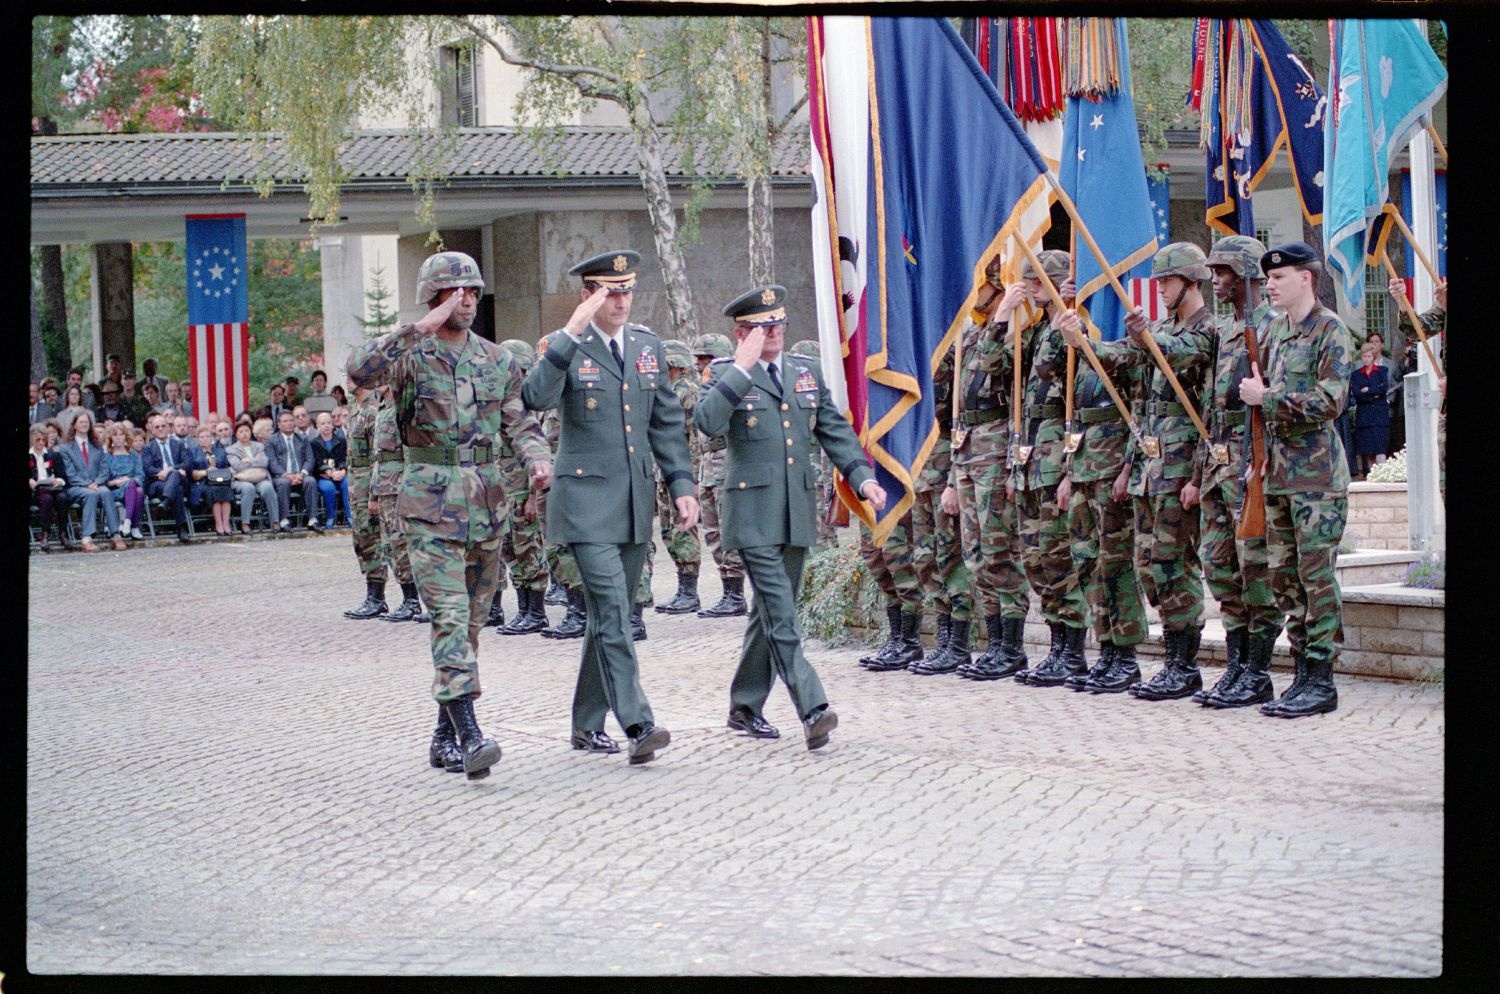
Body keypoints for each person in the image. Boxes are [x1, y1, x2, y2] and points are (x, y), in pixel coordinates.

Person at [350, 250, 551, 781]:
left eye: (472, 291)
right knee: (450, 619)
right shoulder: (410, 358)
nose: (466, 299)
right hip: (429, 505)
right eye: (454, 291)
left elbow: (519, 421)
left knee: (474, 625)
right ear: (434, 296)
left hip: (486, 504)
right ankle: (470, 734)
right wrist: (419, 327)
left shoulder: (496, 359)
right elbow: (359, 368)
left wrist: (538, 461)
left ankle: (443, 736)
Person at [521, 249, 696, 764]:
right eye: (608, 291)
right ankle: (638, 722)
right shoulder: (565, 346)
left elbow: (665, 423)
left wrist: (682, 484)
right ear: (588, 295)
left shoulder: (646, 346)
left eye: (626, 290)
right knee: (616, 610)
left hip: (634, 502)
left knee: (605, 617)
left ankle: (585, 724)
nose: (620, 300)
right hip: (584, 504)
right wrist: (570, 333)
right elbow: (534, 397)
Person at [696, 285, 885, 749]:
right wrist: (741, 368)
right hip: (752, 513)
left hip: (797, 511)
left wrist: (861, 477)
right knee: (782, 614)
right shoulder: (726, 374)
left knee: (769, 613)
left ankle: (744, 706)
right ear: (742, 333)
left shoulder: (805, 372)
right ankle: (813, 706)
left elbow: (834, 430)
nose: (774, 333)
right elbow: (707, 422)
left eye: (778, 325)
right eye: (763, 327)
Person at [1237, 243, 1353, 718]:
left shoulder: (1331, 330)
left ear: (1305, 278)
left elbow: (1331, 400)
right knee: (1284, 578)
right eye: (1268, 279)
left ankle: (1322, 678)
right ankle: (1302, 671)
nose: (1270, 285)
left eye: (1279, 278)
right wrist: (1255, 457)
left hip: (1318, 477)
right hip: (1279, 474)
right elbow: (1258, 410)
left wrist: (1269, 397)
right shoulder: (1275, 332)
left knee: (1315, 576)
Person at [1190, 235, 1283, 708]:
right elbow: (1209, 402)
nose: (1216, 280)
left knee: (1256, 567)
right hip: (1218, 460)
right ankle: (1236, 664)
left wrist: (1259, 464)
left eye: (1223, 272)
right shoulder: (1225, 332)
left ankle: (1259, 671)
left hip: (1251, 460)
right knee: (1221, 565)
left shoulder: (1273, 327)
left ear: (1248, 274)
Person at [941, 265, 1033, 679]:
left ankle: (1011, 646)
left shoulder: (1017, 335)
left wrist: (1003, 318)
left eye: (981, 286)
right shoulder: (972, 334)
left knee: (999, 550)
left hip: (996, 445)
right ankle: (994, 643)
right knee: (975, 553)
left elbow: (994, 365)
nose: (972, 293)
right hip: (968, 446)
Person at [1009, 250, 1092, 686]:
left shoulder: (1069, 330)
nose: (1031, 290)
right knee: (1036, 561)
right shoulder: (1039, 330)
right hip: (1030, 460)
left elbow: (1074, 401)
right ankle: (1059, 644)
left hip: (1056, 457)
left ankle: (1073, 650)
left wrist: (1067, 471)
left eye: (1038, 283)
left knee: (1059, 558)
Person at [907, 316, 976, 675]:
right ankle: (944, 636)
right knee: (925, 558)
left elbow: (960, 420)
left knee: (950, 557)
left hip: (945, 462)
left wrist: (953, 477)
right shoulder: (913, 352)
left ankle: (959, 642)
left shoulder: (955, 351)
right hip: (920, 467)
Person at [493, 339, 552, 635]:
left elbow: (536, 451)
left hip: (522, 490)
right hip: (504, 490)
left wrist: (532, 497)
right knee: (511, 550)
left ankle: (537, 612)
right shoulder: (505, 402)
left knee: (528, 549)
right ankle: (524, 609)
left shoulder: (526, 404)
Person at [689, 334, 750, 619]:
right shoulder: (703, 388)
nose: (702, 364)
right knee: (712, 530)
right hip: (707, 464)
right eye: (699, 359)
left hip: (727, 461)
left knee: (729, 528)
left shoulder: (735, 386)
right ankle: (728, 590)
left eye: (708, 359)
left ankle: (737, 594)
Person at [368, 385, 428, 623]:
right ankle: (407, 599)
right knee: (390, 547)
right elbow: (378, 458)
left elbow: (411, 452)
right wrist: (373, 494)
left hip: (399, 487)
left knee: (403, 545)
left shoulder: (404, 408)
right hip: (384, 487)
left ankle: (414, 601)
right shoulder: (382, 408)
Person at [343, 380, 390, 619]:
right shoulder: (355, 409)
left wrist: (374, 494)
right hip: (355, 484)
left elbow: (377, 457)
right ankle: (371, 595)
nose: (347, 382)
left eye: (352, 378)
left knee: (372, 539)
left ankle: (377, 597)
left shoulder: (372, 410)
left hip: (366, 484)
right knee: (361, 539)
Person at [58, 411, 125, 552]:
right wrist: (87, 484)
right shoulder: (65, 447)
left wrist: (96, 482)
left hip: (97, 484)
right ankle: (86, 538)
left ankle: (116, 535)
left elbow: (104, 470)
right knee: (91, 494)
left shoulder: (97, 446)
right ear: (75, 425)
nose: (84, 424)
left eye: (86, 422)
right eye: (81, 422)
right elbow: (70, 473)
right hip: (76, 487)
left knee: (106, 492)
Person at [265, 409, 324, 532]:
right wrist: (287, 475)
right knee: (283, 483)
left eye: (291, 420)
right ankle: (284, 520)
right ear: (279, 424)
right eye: (285, 421)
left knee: (311, 481)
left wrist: (302, 474)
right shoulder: (272, 441)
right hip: (281, 476)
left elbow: (309, 459)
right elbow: (272, 463)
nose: (289, 423)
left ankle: (312, 519)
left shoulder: (302, 438)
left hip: (300, 475)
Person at [141, 412, 193, 543]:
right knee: (177, 489)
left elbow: (187, 463)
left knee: (175, 475)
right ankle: (182, 529)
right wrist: (162, 473)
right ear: (152, 430)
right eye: (157, 427)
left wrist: (169, 470)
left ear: (168, 428)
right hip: (157, 483)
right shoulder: (147, 447)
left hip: (179, 479)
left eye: (163, 426)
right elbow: (148, 468)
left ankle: (165, 502)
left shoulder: (178, 444)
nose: (160, 429)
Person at [227, 420, 279, 534]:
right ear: (236, 434)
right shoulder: (231, 449)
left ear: (251, 432)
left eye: (246, 430)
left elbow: (265, 462)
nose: (244, 433)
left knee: (268, 488)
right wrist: (256, 460)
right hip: (242, 479)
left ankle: (275, 521)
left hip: (259, 477)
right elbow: (237, 465)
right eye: (241, 431)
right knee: (248, 488)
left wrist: (248, 460)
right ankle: (245, 523)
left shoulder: (259, 446)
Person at [1350, 340, 1390, 478]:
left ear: (1373, 357)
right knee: (1367, 449)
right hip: (1364, 417)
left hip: (1379, 416)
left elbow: (1384, 389)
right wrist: (1374, 394)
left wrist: (1368, 390)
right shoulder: (1356, 374)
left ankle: (1383, 475)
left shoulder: (1382, 371)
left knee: (1380, 447)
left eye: (1369, 356)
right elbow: (1357, 393)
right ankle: (1370, 476)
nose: (1366, 359)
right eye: (1364, 356)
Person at [102, 423, 145, 542]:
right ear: (111, 438)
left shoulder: (134, 455)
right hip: (114, 491)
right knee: (138, 490)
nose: (119, 437)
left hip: (132, 488)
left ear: (126, 437)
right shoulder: (107, 457)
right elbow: (104, 480)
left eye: (121, 434)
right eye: (115, 435)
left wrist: (128, 480)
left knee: (137, 488)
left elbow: (140, 475)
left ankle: (126, 523)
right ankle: (133, 527)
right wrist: (116, 482)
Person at [29, 423, 68, 549]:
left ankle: (63, 533)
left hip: (52, 488)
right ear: (31, 439)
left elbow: (63, 476)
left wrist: (58, 481)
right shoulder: (29, 456)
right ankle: (45, 534)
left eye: (43, 440)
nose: (41, 443)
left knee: (62, 498)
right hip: (36, 491)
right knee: (47, 499)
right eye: (37, 440)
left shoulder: (53, 455)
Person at [308, 411, 350, 529]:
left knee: (347, 484)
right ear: (317, 426)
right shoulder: (313, 443)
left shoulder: (341, 441)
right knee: (328, 488)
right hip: (323, 476)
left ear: (332, 425)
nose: (326, 426)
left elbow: (345, 458)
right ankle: (330, 517)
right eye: (322, 423)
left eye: (328, 423)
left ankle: (350, 516)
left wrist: (342, 471)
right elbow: (317, 462)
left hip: (340, 474)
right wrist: (330, 473)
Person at [195, 425, 235, 536]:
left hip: (221, 481)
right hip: (202, 482)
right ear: (197, 439)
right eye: (201, 437)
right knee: (213, 490)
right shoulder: (193, 452)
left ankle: (226, 523)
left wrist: (218, 471)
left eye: (207, 436)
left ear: (212, 438)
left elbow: (228, 467)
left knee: (225, 488)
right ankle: (219, 523)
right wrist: (206, 471)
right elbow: (191, 472)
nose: (204, 439)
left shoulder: (221, 451)